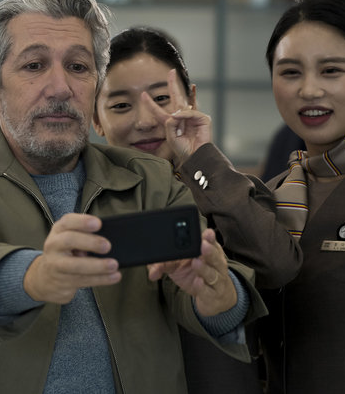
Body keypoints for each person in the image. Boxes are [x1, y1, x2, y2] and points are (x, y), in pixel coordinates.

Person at [0, 0, 267, 393]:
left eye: (78, 66)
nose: (60, 87)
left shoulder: (148, 180)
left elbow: (205, 298)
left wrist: (219, 296)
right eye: (34, 65)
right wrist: (37, 275)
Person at [148, 0, 345, 394]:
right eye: (290, 72)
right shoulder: (269, 195)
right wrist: (198, 156)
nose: (309, 90)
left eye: (331, 70)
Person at [92, 26, 269, 394]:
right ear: (95, 119)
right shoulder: (84, 212)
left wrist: (203, 162)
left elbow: (278, 265)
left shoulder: (230, 190)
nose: (145, 120)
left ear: (191, 98)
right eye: (121, 105)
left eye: (162, 98)